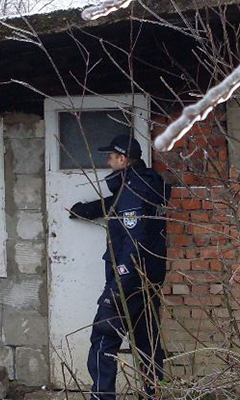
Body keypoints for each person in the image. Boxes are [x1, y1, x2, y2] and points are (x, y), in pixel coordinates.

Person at [68, 135, 170, 400]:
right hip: (150, 277)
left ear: (122, 159)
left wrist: (119, 283)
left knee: (103, 338)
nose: (108, 162)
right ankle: (154, 393)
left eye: (111, 157)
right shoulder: (146, 185)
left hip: (130, 278)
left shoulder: (133, 190)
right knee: (147, 339)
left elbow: (133, 239)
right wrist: (87, 210)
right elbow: (120, 206)